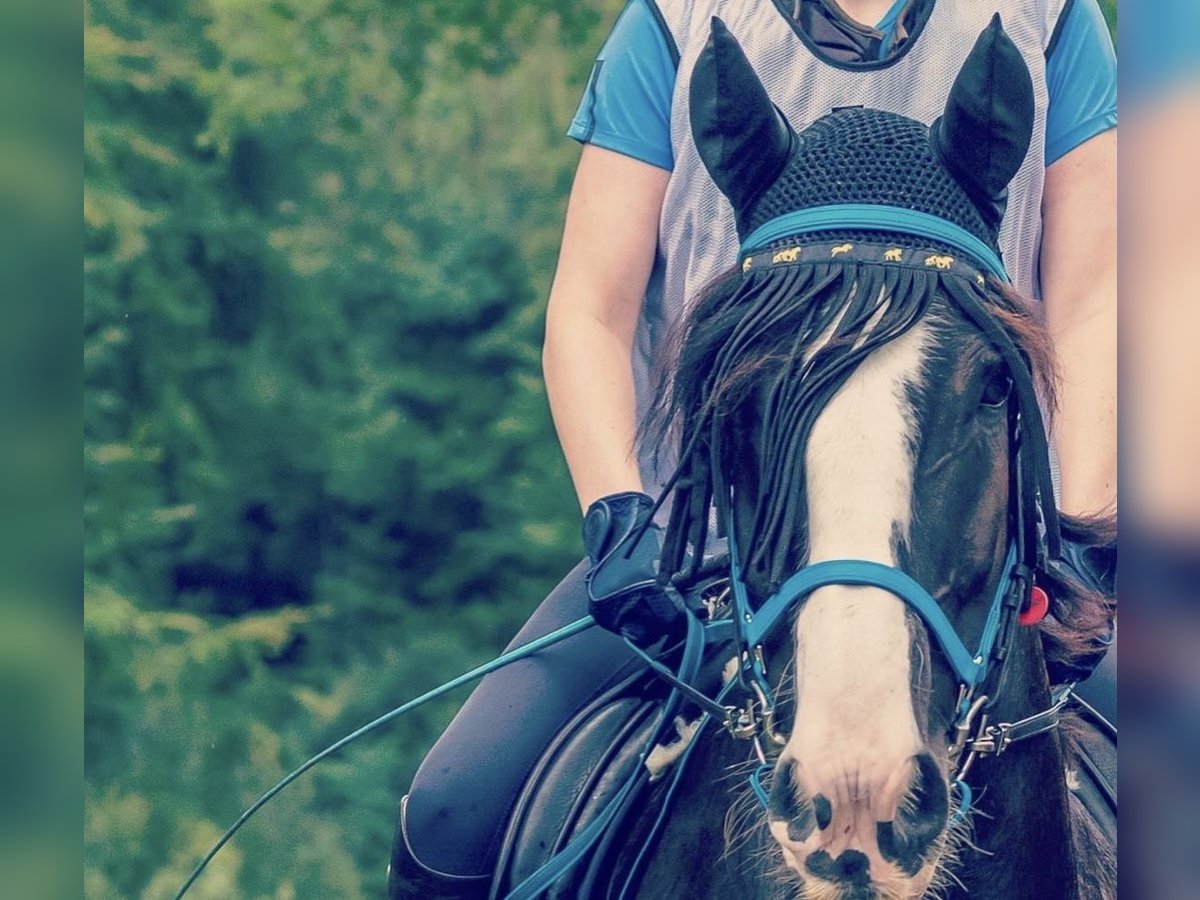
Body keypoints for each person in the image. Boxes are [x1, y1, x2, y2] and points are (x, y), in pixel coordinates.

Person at [388, 1, 1117, 896]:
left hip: (983, 547)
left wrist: (1078, 532)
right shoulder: (674, 20)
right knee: (452, 816)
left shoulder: (1051, 22)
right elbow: (589, 311)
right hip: (709, 542)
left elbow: (1093, 306)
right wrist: (619, 518)